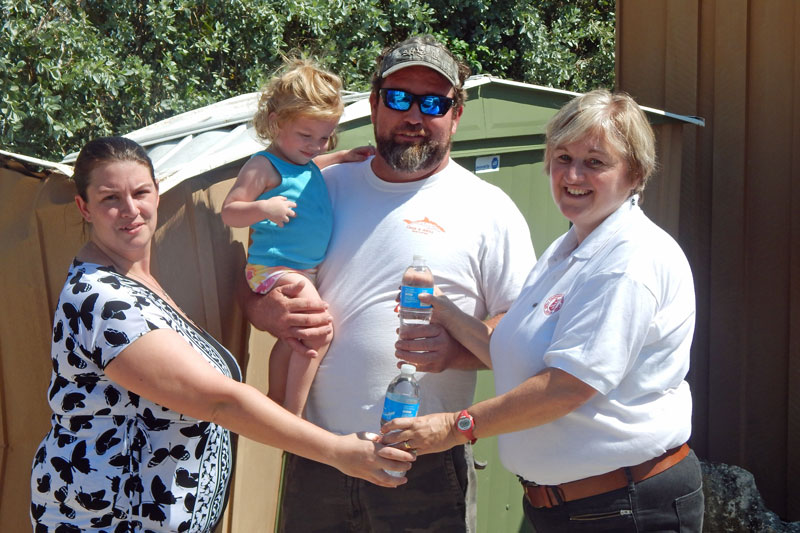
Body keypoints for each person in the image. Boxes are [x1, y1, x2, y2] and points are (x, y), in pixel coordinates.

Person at [29, 136, 414, 532]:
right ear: (84, 208)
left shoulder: (138, 282)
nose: (131, 210)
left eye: (140, 192)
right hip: (110, 522)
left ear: (157, 194)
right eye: (111, 198)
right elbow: (217, 402)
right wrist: (336, 451)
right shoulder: (103, 300)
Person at [242, 35, 536, 532]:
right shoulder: (320, 187)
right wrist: (269, 312)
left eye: (434, 103)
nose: (414, 116)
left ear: (456, 114)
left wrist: (455, 352)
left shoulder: (490, 209)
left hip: (424, 464)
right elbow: (255, 282)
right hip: (318, 456)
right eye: (399, 98)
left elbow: (522, 333)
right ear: (375, 104)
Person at [382, 89, 705, 532]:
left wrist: (454, 427)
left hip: (624, 507)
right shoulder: (570, 245)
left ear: (635, 174)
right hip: (574, 505)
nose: (572, 174)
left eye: (595, 162)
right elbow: (515, 352)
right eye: (562, 156)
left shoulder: (628, 260)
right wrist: (446, 312)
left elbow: (567, 386)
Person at [221, 58, 373, 416]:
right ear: (276, 123)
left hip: (301, 270)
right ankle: (294, 412)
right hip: (271, 267)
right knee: (318, 330)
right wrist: (264, 209)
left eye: (324, 138)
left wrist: (343, 156)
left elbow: (310, 168)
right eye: (306, 136)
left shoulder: (302, 162)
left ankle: (274, 399)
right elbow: (229, 210)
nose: (315, 146)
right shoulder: (262, 166)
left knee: (292, 339)